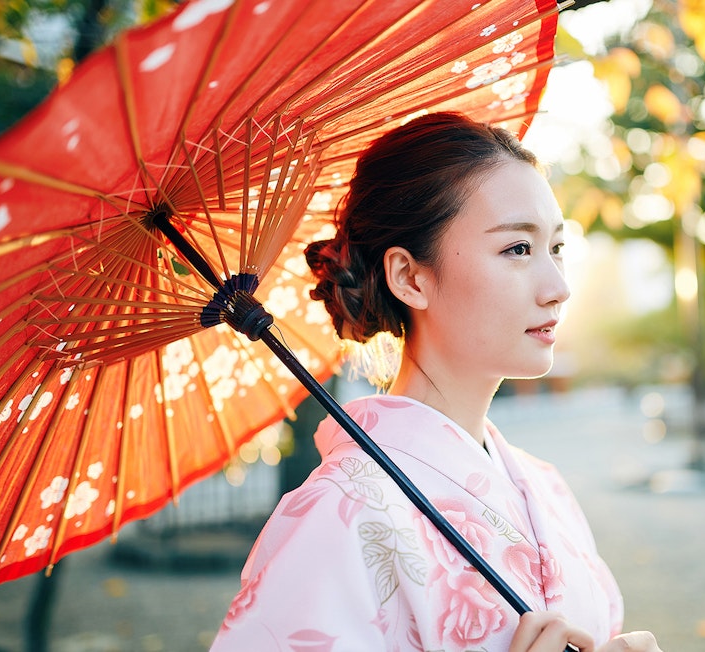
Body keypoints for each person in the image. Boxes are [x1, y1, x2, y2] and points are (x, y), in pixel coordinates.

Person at [211, 112, 663, 652]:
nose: (558, 287)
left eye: (556, 248)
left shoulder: (545, 487)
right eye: (517, 249)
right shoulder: (338, 515)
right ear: (410, 277)